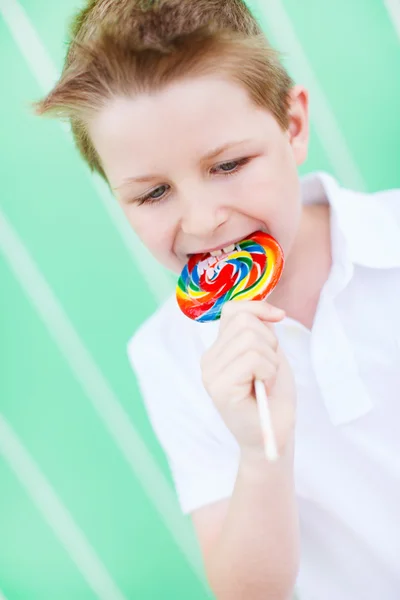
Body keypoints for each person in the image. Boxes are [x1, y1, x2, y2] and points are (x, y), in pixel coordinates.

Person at [33, 1, 400, 598]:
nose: (203, 220)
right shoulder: (169, 357)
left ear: (293, 126)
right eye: (153, 193)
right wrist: (261, 453)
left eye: (228, 164)